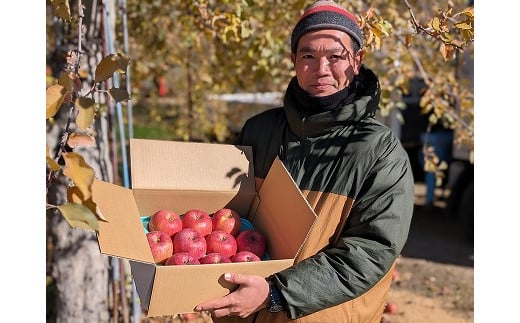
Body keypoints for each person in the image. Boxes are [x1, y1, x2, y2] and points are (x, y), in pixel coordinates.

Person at [195, 1, 414, 322]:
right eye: (309, 56)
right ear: (294, 60)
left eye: (336, 56)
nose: (321, 69)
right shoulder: (260, 130)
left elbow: (372, 250)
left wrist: (275, 292)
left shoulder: (378, 150)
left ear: (357, 60)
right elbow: (229, 216)